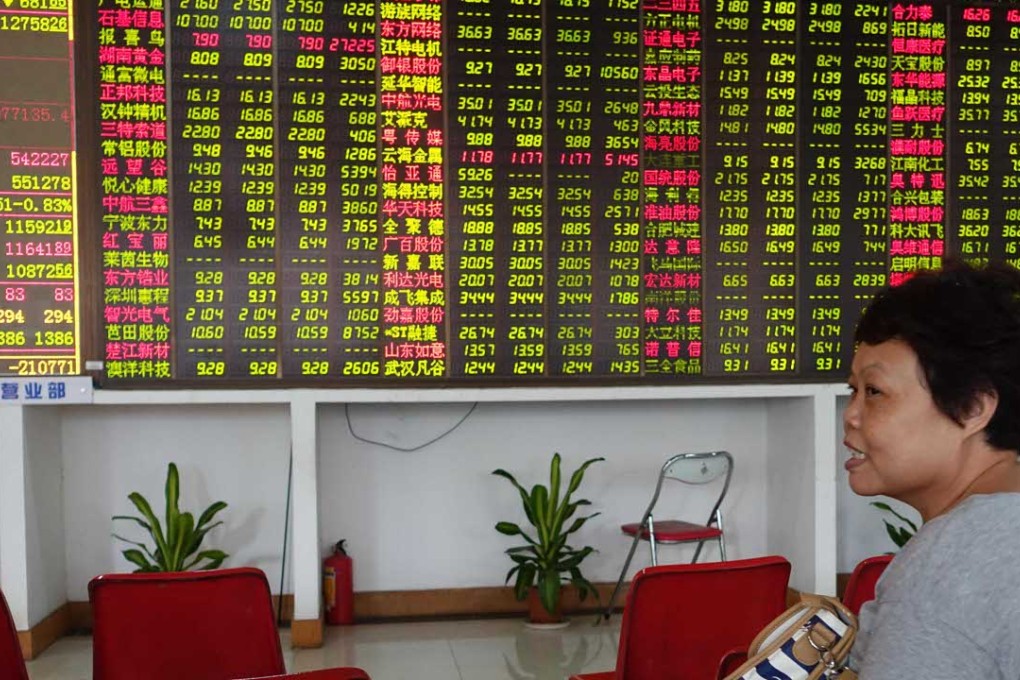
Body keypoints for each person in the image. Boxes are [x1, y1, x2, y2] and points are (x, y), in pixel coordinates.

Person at [844, 259, 1020, 678]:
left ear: (973, 408)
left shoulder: (948, 571)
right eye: (852, 391)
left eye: (875, 391)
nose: (851, 415)